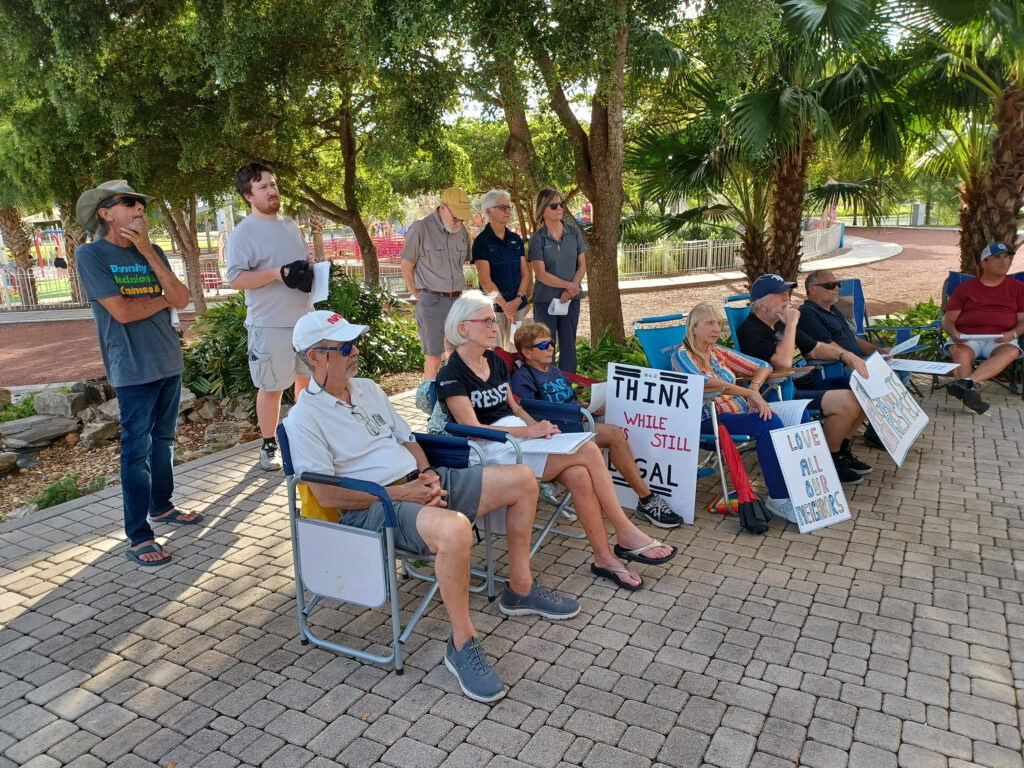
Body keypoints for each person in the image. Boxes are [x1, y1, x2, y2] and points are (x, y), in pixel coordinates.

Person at [283, 310, 579, 703]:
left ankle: (520, 588)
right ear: (316, 356)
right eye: (346, 347)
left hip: (417, 487)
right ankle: (462, 642)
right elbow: (328, 496)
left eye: (356, 343)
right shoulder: (303, 417)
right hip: (374, 509)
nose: (356, 352)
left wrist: (427, 475)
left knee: (523, 479)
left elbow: (407, 438)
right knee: (455, 528)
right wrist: (402, 494)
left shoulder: (368, 388)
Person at [436, 291, 678, 591]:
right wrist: (529, 433)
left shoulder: (494, 362)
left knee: (578, 474)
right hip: (488, 451)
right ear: (463, 328)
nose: (494, 327)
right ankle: (625, 531)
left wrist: (536, 425)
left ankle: (605, 558)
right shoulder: (450, 374)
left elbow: (513, 407)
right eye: (486, 321)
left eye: (492, 320)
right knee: (588, 448)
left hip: (519, 439)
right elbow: (472, 429)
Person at [75, 180, 200, 567]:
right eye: (129, 203)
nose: (140, 210)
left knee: (163, 441)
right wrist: (158, 301)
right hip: (131, 367)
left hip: (168, 361)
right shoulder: (91, 255)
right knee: (136, 451)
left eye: (142, 205)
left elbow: (182, 299)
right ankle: (139, 534)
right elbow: (122, 313)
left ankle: (161, 507)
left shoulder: (153, 251)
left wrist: (148, 252)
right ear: (105, 212)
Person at [510, 322, 684, 528]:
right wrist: (577, 413)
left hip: (578, 419)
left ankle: (649, 487)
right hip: (560, 433)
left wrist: (589, 406)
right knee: (614, 434)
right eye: (542, 345)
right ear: (527, 353)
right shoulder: (523, 378)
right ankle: (647, 500)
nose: (550, 348)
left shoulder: (554, 371)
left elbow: (570, 399)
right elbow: (530, 415)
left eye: (550, 342)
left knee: (632, 424)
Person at [736, 274, 873, 485]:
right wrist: (791, 325)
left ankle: (842, 450)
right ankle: (830, 459)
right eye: (780, 294)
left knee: (866, 388)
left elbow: (817, 348)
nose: (787, 298)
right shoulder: (751, 330)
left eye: (787, 293)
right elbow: (782, 363)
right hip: (781, 391)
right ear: (762, 304)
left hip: (807, 382)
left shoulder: (780, 324)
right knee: (848, 401)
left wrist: (846, 355)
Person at [225, 162, 315, 472]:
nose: (272, 190)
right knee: (272, 387)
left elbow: (302, 263)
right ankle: (268, 445)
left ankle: (301, 437)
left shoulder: (290, 225)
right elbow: (234, 278)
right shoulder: (243, 233)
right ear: (248, 196)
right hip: (269, 323)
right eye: (263, 187)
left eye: (273, 184)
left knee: (306, 381)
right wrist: (276, 274)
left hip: (305, 321)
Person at [672, 303, 798, 518]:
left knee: (799, 414)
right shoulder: (682, 356)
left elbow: (763, 366)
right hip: (711, 419)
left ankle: (796, 488)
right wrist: (748, 394)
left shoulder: (718, 353)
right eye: (709, 323)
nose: (716, 329)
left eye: (718, 324)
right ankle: (779, 499)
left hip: (740, 413)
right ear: (693, 328)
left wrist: (755, 388)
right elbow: (706, 382)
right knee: (768, 423)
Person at [399, 187, 473, 381]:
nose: (458, 222)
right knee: (433, 357)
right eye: (456, 217)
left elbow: (461, 264)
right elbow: (406, 266)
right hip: (430, 299)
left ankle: (455, 400)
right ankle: (430, 404)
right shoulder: (420, 228)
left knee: (457, 355)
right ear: (443, 207)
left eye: (462, 218)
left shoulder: (462, 231)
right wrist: (421, 296)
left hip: (457, 301)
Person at [941, 242, 1024, 415]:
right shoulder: (966, 288)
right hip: (968, 337)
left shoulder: (1018, 288)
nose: (1004, 262)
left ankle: (966, 384)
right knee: (959, 351)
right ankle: (968, 395)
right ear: (984, 263)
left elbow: (1022, 321)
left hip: (1001, 338)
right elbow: (948, 320)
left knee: (1011, 352)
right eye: (997, 258)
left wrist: (1013, 334)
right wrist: (954, 333)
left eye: (1007, 258)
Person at [529, 188, 587, 373]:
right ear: (542, 210)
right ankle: (548, 388)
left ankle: (568, 388)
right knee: (546, 346)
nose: (559, 208)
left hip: (572, 298)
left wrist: (572, 289)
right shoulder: (537, 239)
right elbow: (541, 274)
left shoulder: (574, 233)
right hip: (545, 301)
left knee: (569, 345)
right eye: (553, 205)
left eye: (561, 204)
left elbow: (582, 266)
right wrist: (569, 286)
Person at [472, 189, 528, 351]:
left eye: (508, 207)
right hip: (494, 310)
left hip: (517, 307)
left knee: (516, 352)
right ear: (488, 211)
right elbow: (485, 281)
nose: (507, 211)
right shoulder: (482, 241)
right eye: (502, 207)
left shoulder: (516, 240)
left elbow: (525, 274)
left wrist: (517, 300)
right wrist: (505, 306)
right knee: (495, 353)